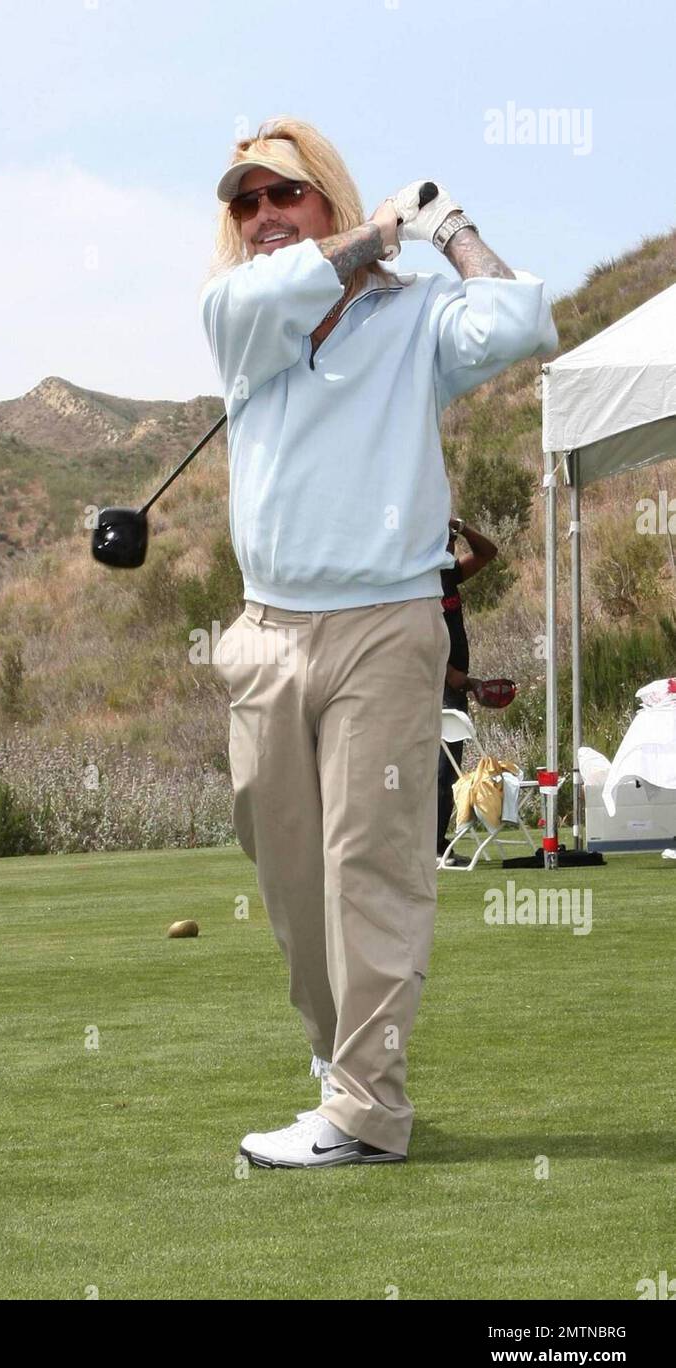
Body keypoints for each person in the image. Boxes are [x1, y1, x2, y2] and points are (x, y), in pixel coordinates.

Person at [199, 115, 558, 1168]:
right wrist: (365, 236)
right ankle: (339, 1067)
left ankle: (363, 1110)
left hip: (383, 626)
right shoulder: (239, 312)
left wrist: (445, 226)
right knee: (288, 875)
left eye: (285, 194)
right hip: (265, 634)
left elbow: (520, 317)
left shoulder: (411, 322)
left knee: (371, 868)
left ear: (327, 196)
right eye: (246, 201)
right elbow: (269, 291)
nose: (264, 216)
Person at [437, 515, 498, 865]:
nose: (449, 546)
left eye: (450, 541)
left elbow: (488, 552)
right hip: (436, 685)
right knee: (440, 771)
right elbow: (420, 634)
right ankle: (431, 847)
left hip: (455, 687)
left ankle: (436, 843)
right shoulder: (422, 582)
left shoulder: (449, 576)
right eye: (444, 540)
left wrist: (461, 527)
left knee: (448, 770)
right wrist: (452, 675)